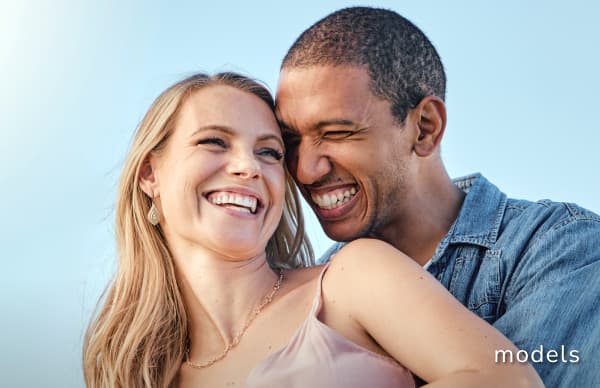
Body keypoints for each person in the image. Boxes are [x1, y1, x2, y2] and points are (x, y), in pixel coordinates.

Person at [83, 72, 542, 388]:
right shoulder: (137, 373)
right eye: (214, 142)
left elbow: (507, 379)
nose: (247, 166)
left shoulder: (352, 279)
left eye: (269, 153)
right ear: (150, 175)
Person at [275, 6, 600, 387]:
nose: (304, 170)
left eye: (337, 133)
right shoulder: (313, 293)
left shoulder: (559, 247)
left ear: (425, 128)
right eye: (291, 140)